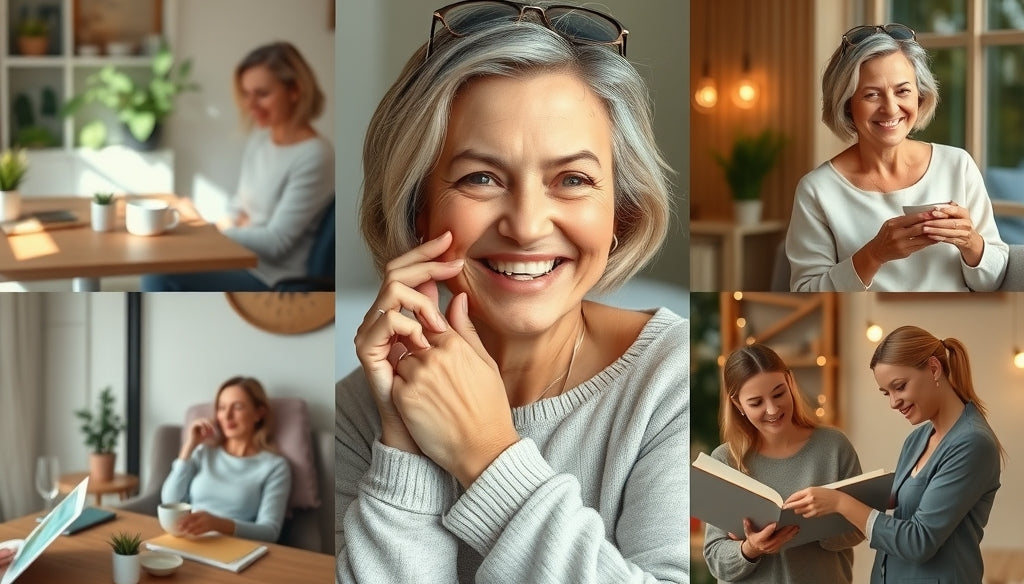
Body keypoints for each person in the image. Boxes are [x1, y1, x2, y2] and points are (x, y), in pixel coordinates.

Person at [335, 3, 688, 583]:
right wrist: (404, 448)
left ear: (619, 211)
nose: (526, 226)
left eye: (572, 179)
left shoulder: (674, 377)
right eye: (481, 178)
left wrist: (487, 455)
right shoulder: (361, 404)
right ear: (416, 208)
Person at [786, 23, 1007, 291]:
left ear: (920, 95)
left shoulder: (957, 166)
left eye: (902, 91)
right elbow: (806, 293)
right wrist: (874, 255)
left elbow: (993, 281)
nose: (890, 109)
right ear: (847, 104)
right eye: (871, 94)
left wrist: (970, 241)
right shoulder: (817, 190)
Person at [784, 326, 1002, 583]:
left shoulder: (972, 443)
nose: (893, 402)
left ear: (934, 369)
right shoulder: (918, 439)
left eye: (900, 387)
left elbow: (918, 541)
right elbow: (894, 497)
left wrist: (840, 503)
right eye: (887, 393)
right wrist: (822, 498)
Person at [142, 41, 334, 291]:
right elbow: (238, 207)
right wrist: (226, 226)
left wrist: (208, 228)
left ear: (295, 90)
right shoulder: (261, 139)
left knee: (159, 274)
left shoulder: (315, 155)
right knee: (158, 256)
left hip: (270, 275)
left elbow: (276, 242)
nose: (250, 105)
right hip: (239, 255)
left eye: (262, 94)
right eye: (246, 93)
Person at [702, 343, 864, 583]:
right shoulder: (724, 461)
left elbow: (860, 528)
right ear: (738, 404)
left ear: (790, 382)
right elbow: (716, 559)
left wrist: (818, 525)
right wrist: (751, 549)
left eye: (778, 394)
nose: (772, 409)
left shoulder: (833, 446)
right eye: (756, 402)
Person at [161, 376, 291, 543]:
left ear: (259, 413)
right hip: (190, 541)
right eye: (222, 408)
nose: (227, 416)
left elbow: (270, 532)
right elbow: (170, 501)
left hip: (235, 549)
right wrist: (189, 446)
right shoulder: (203, 453)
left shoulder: (275, 466)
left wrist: (217, 524)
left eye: (237, 407)